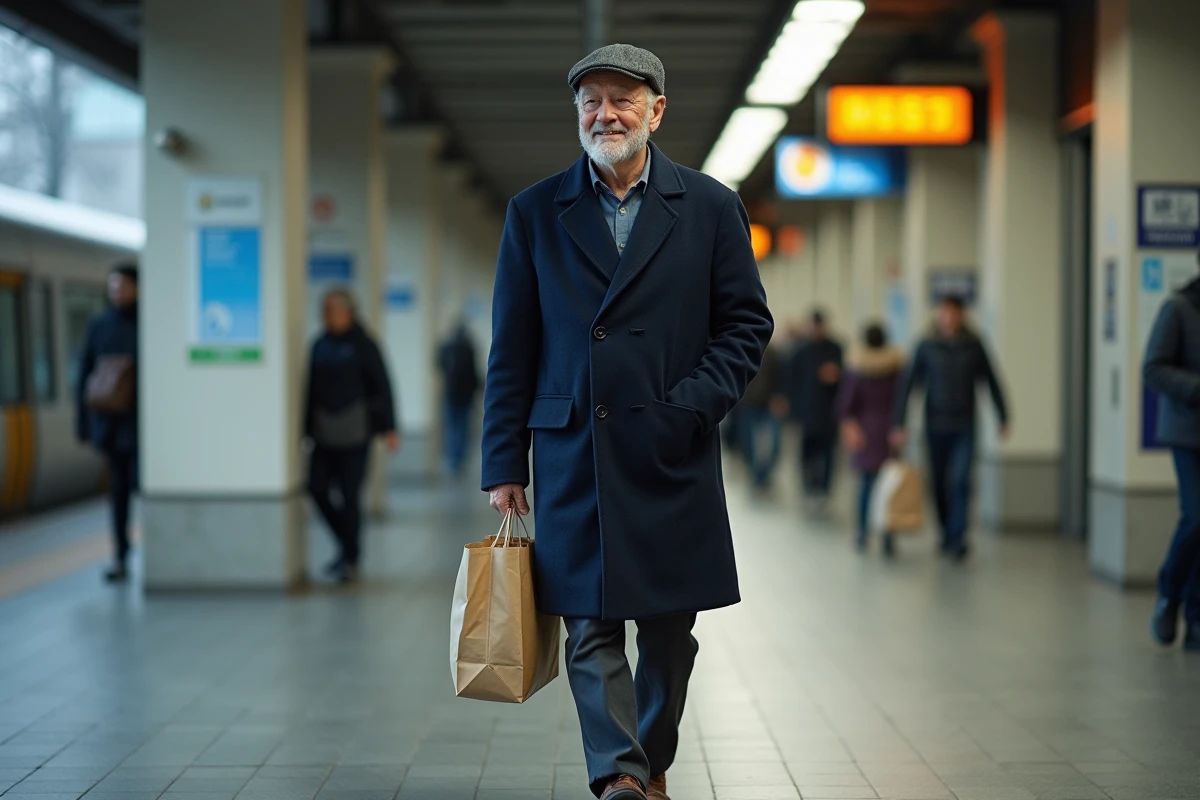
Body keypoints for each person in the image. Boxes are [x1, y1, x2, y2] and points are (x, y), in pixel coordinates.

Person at [480, 44, 772, 800]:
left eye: (621, 99)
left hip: (671, 447)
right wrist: (503, 462)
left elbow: (745, 325)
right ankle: (618, 777)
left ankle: (652, 757)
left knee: (670, 634)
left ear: (656, 111)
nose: (604, 114)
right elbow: (511, 347)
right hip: (576, 448)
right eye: (590, 101)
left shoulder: (708, 206)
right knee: (588, 625)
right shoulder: (536, 212)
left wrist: (692, 405)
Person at [891, 295, 1009, 562]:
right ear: (939, 315)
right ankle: (945, 530)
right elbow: (909, 385)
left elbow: (990, 380)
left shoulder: (974, 345)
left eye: (954, 313)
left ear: (961, 316)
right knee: (940, 483)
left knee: (961, 481)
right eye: (945, 313)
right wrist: (898, 423)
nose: (949, 318)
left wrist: (1002, 415)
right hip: (935, 423)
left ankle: (958, 537)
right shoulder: (927, 345)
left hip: (964, 424)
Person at [304, 289, 400, 584]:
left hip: (355, 436)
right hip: (322, 435)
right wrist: (303, 430)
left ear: (347, 312)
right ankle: (347, 545)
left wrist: (389, 428)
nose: (325, 316)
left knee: (349, 496)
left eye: (330, 310)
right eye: (324, 311)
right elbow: (308, 390)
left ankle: (350, 558)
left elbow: (383, 386)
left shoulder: (364, 345)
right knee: (316, 488)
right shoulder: (319, 344)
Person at [1143, 263, 1200, 652]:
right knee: (1197, 516)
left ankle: (1196, 619)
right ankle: (1170, 594)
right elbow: (1153, 368)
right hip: (1187, 432)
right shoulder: (1178, 308)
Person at [76, 263, 140, 583]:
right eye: (113, 286)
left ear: (137, 288)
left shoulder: (147, 325)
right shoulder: (99, 326)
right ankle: (121, 554)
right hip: (111, 427)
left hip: (142, 427)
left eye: (124, 286)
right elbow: (85, 375)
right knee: (118, 493)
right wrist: (85, 426)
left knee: (141, 486)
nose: (118, 292)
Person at [837, 323, 904, 556]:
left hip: (864, 432)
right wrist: (900, 427)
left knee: (866, 485)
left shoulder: (856, 367)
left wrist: (850, 427)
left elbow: (845, 404)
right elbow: (901, 401)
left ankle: (862, 532)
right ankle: (888, 536)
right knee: (890, 487)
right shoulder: (896, 367)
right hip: (889, 432)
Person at [785, 309, 843, 512]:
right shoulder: (801, 351)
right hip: (807, 412)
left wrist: (837, 375)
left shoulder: (835, 348)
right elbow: (791, 381)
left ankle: (824, 490)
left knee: (828, 455)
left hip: (829, 412)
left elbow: (845, 378)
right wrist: (791, 409)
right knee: (806, 454)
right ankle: (809, 488)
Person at [737, 343, 788, 489]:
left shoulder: (773, 353)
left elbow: (780, 376)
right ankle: (755, 476)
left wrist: (779, 396)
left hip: (769, 403)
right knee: (748, 442)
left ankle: (763, 476)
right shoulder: (743, 348)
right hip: (748, 403)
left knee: (774, 444)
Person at [437, 322, 481, 476]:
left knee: (451, 425)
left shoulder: (446, 347)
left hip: (450, 392)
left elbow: (438, 365)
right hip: (466, 394)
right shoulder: (469, 348)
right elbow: (474, 371)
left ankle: (453, 458)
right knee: (463, 425)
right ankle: (459, 457)